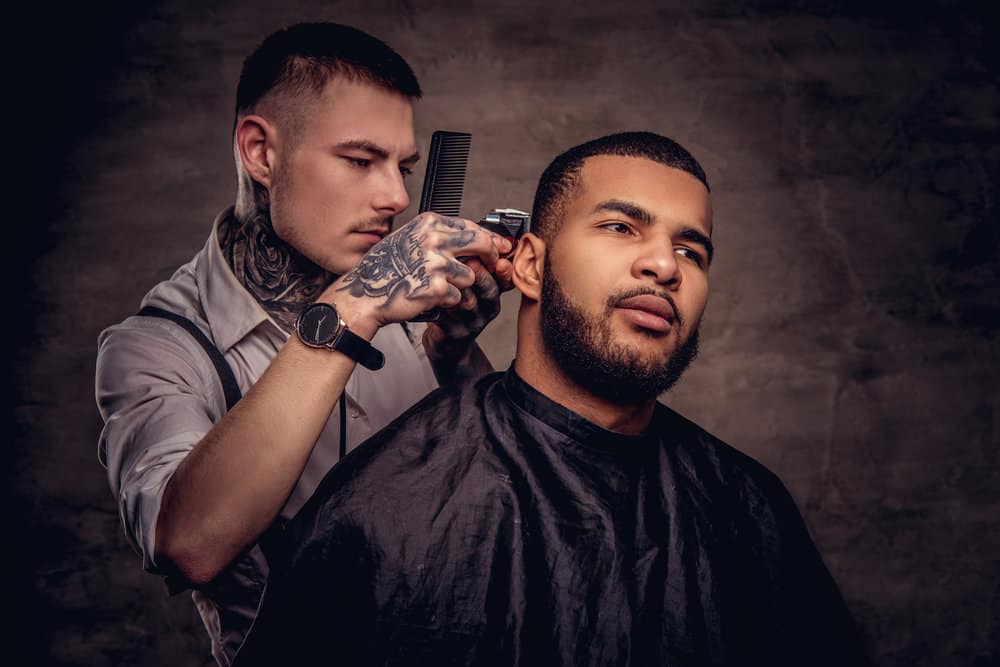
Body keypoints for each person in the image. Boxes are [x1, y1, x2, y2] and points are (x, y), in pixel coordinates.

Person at [233, 131, 871, 666]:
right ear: (531, 267)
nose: (665, 266)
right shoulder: (383, 505)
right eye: (622, 226)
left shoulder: (749, 506)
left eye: (690, 249)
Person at [95, 22, 513, 666]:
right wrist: (352, 304)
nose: (396, 198)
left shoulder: (403, 298)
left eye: (403, 167)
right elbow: (190, 543)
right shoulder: (158, 349)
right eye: (359, 160)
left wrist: (450, 354)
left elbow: (496, 494)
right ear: (260, 152)